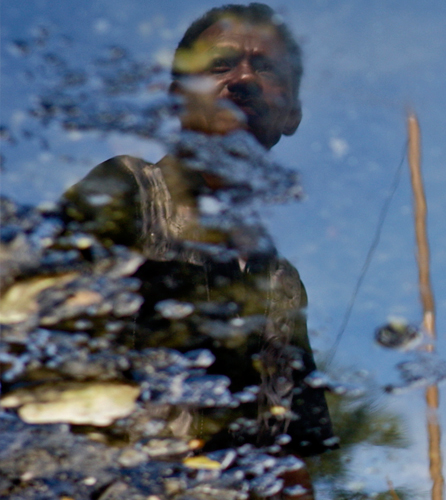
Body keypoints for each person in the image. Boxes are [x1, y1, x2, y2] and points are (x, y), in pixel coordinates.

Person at [58, 2, 332, 491]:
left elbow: (289, 456)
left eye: (265, 67)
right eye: (219, 65)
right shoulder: (131, 190)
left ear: (292, 111)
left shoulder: (282, 282)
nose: (242, 78)